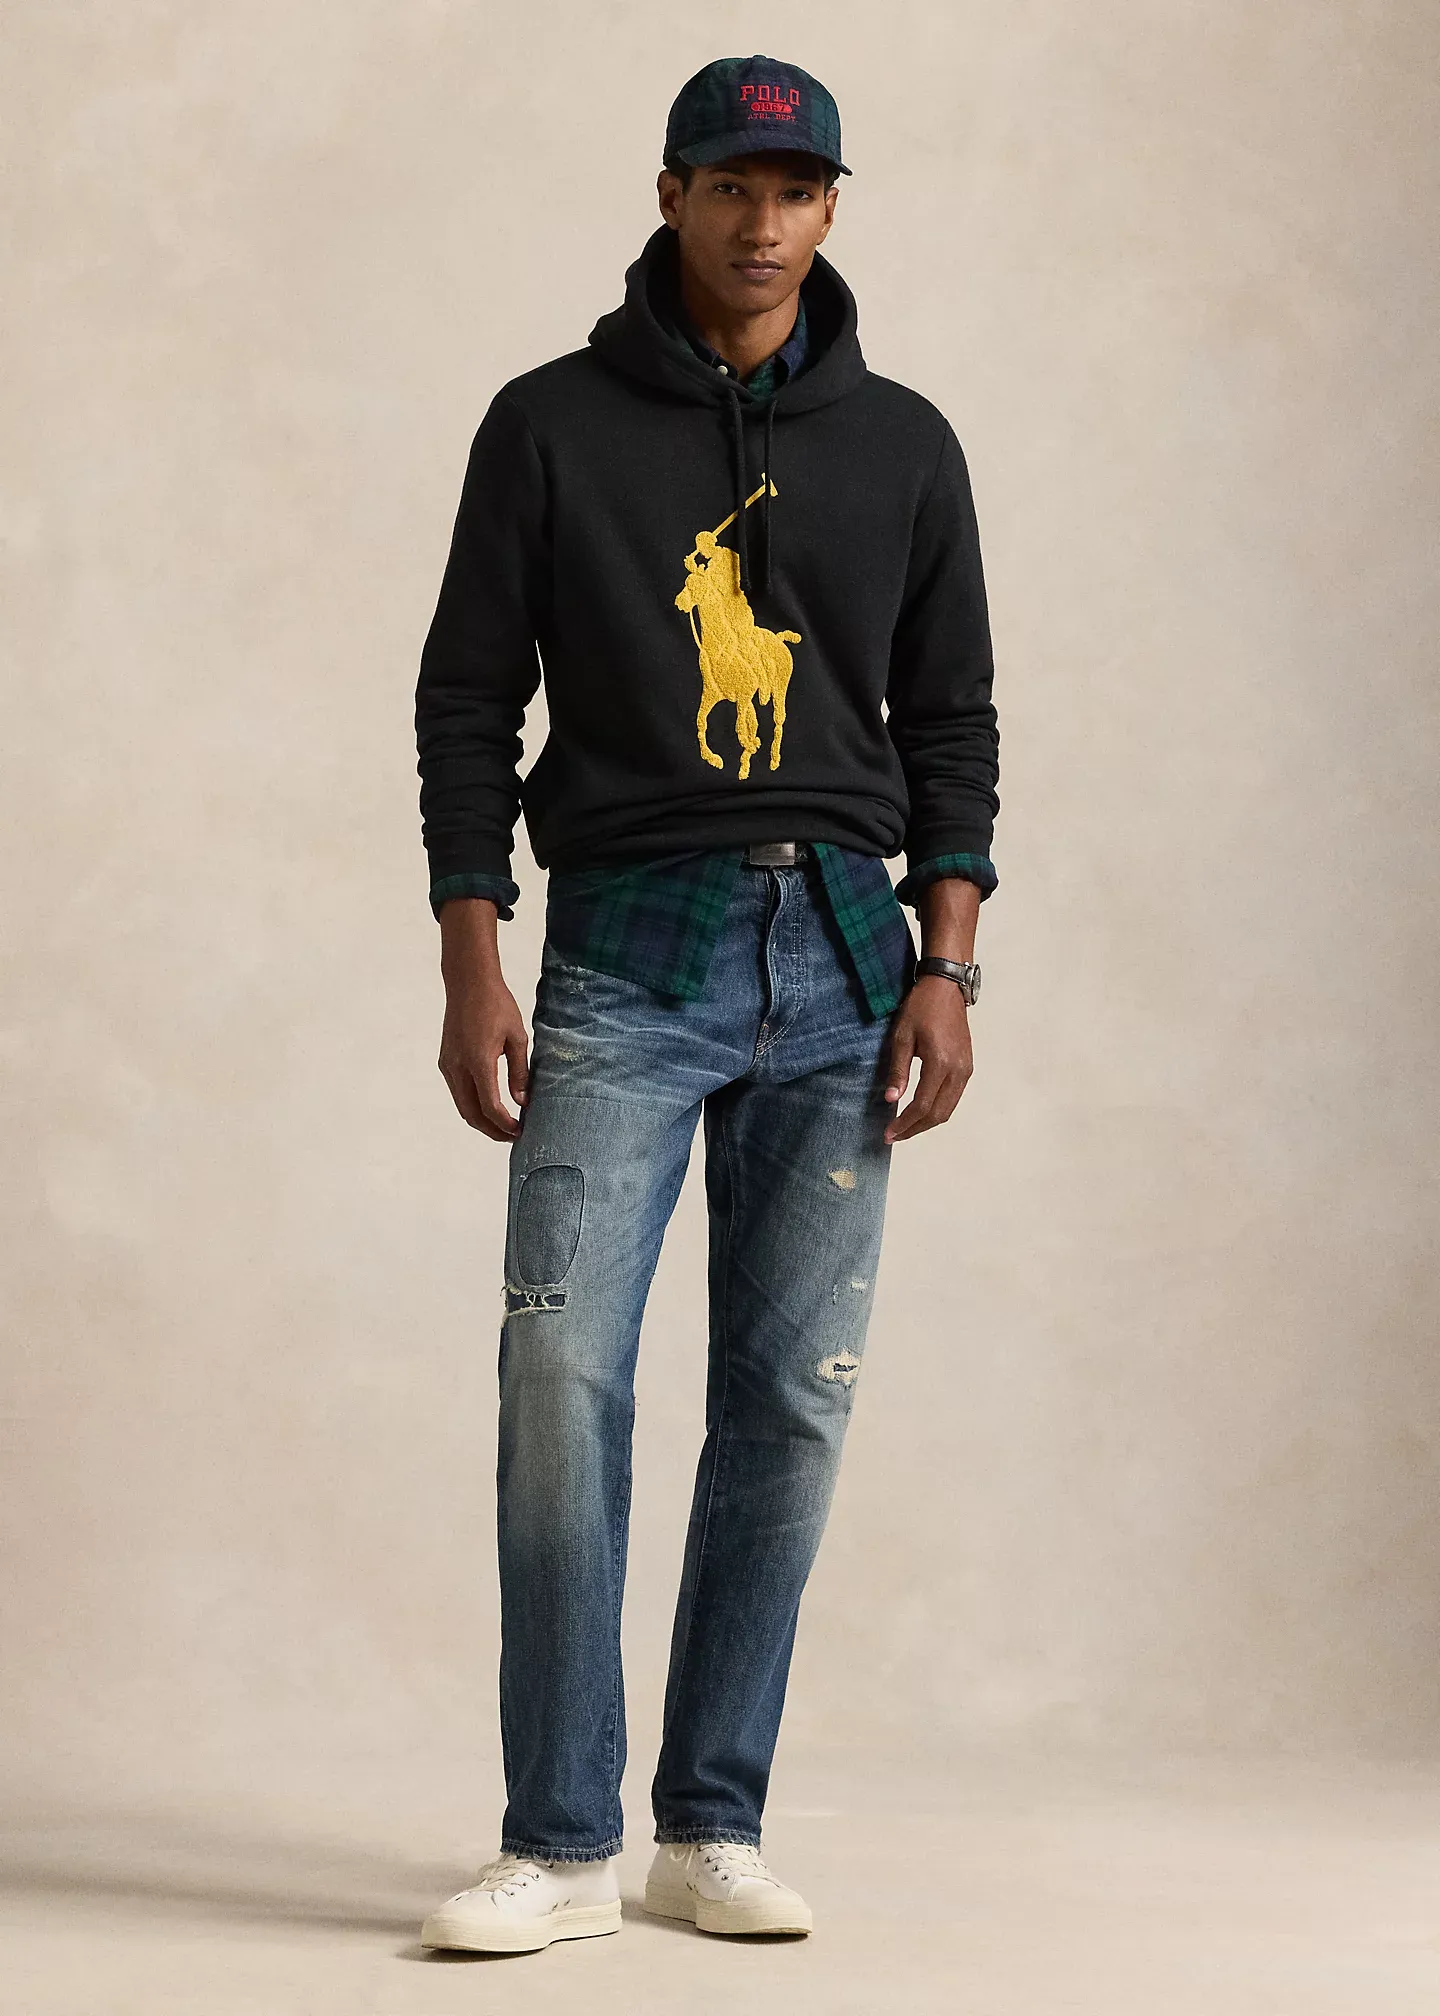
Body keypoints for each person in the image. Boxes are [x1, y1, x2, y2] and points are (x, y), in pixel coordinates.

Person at [413, 51, 1000, 1957]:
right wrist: (474, 954)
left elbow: (954, 722)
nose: (763, 222)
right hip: (626, 949)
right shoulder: (548, 424)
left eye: (798, 189)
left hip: (845, 954)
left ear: (832, 208)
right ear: (669, 194)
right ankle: (557, 1840)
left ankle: (710, 1826)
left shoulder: (905, 443)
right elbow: (465, 699)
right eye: (731, 186)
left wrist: (946, 960)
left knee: (789, 1404)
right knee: (561, 1383)